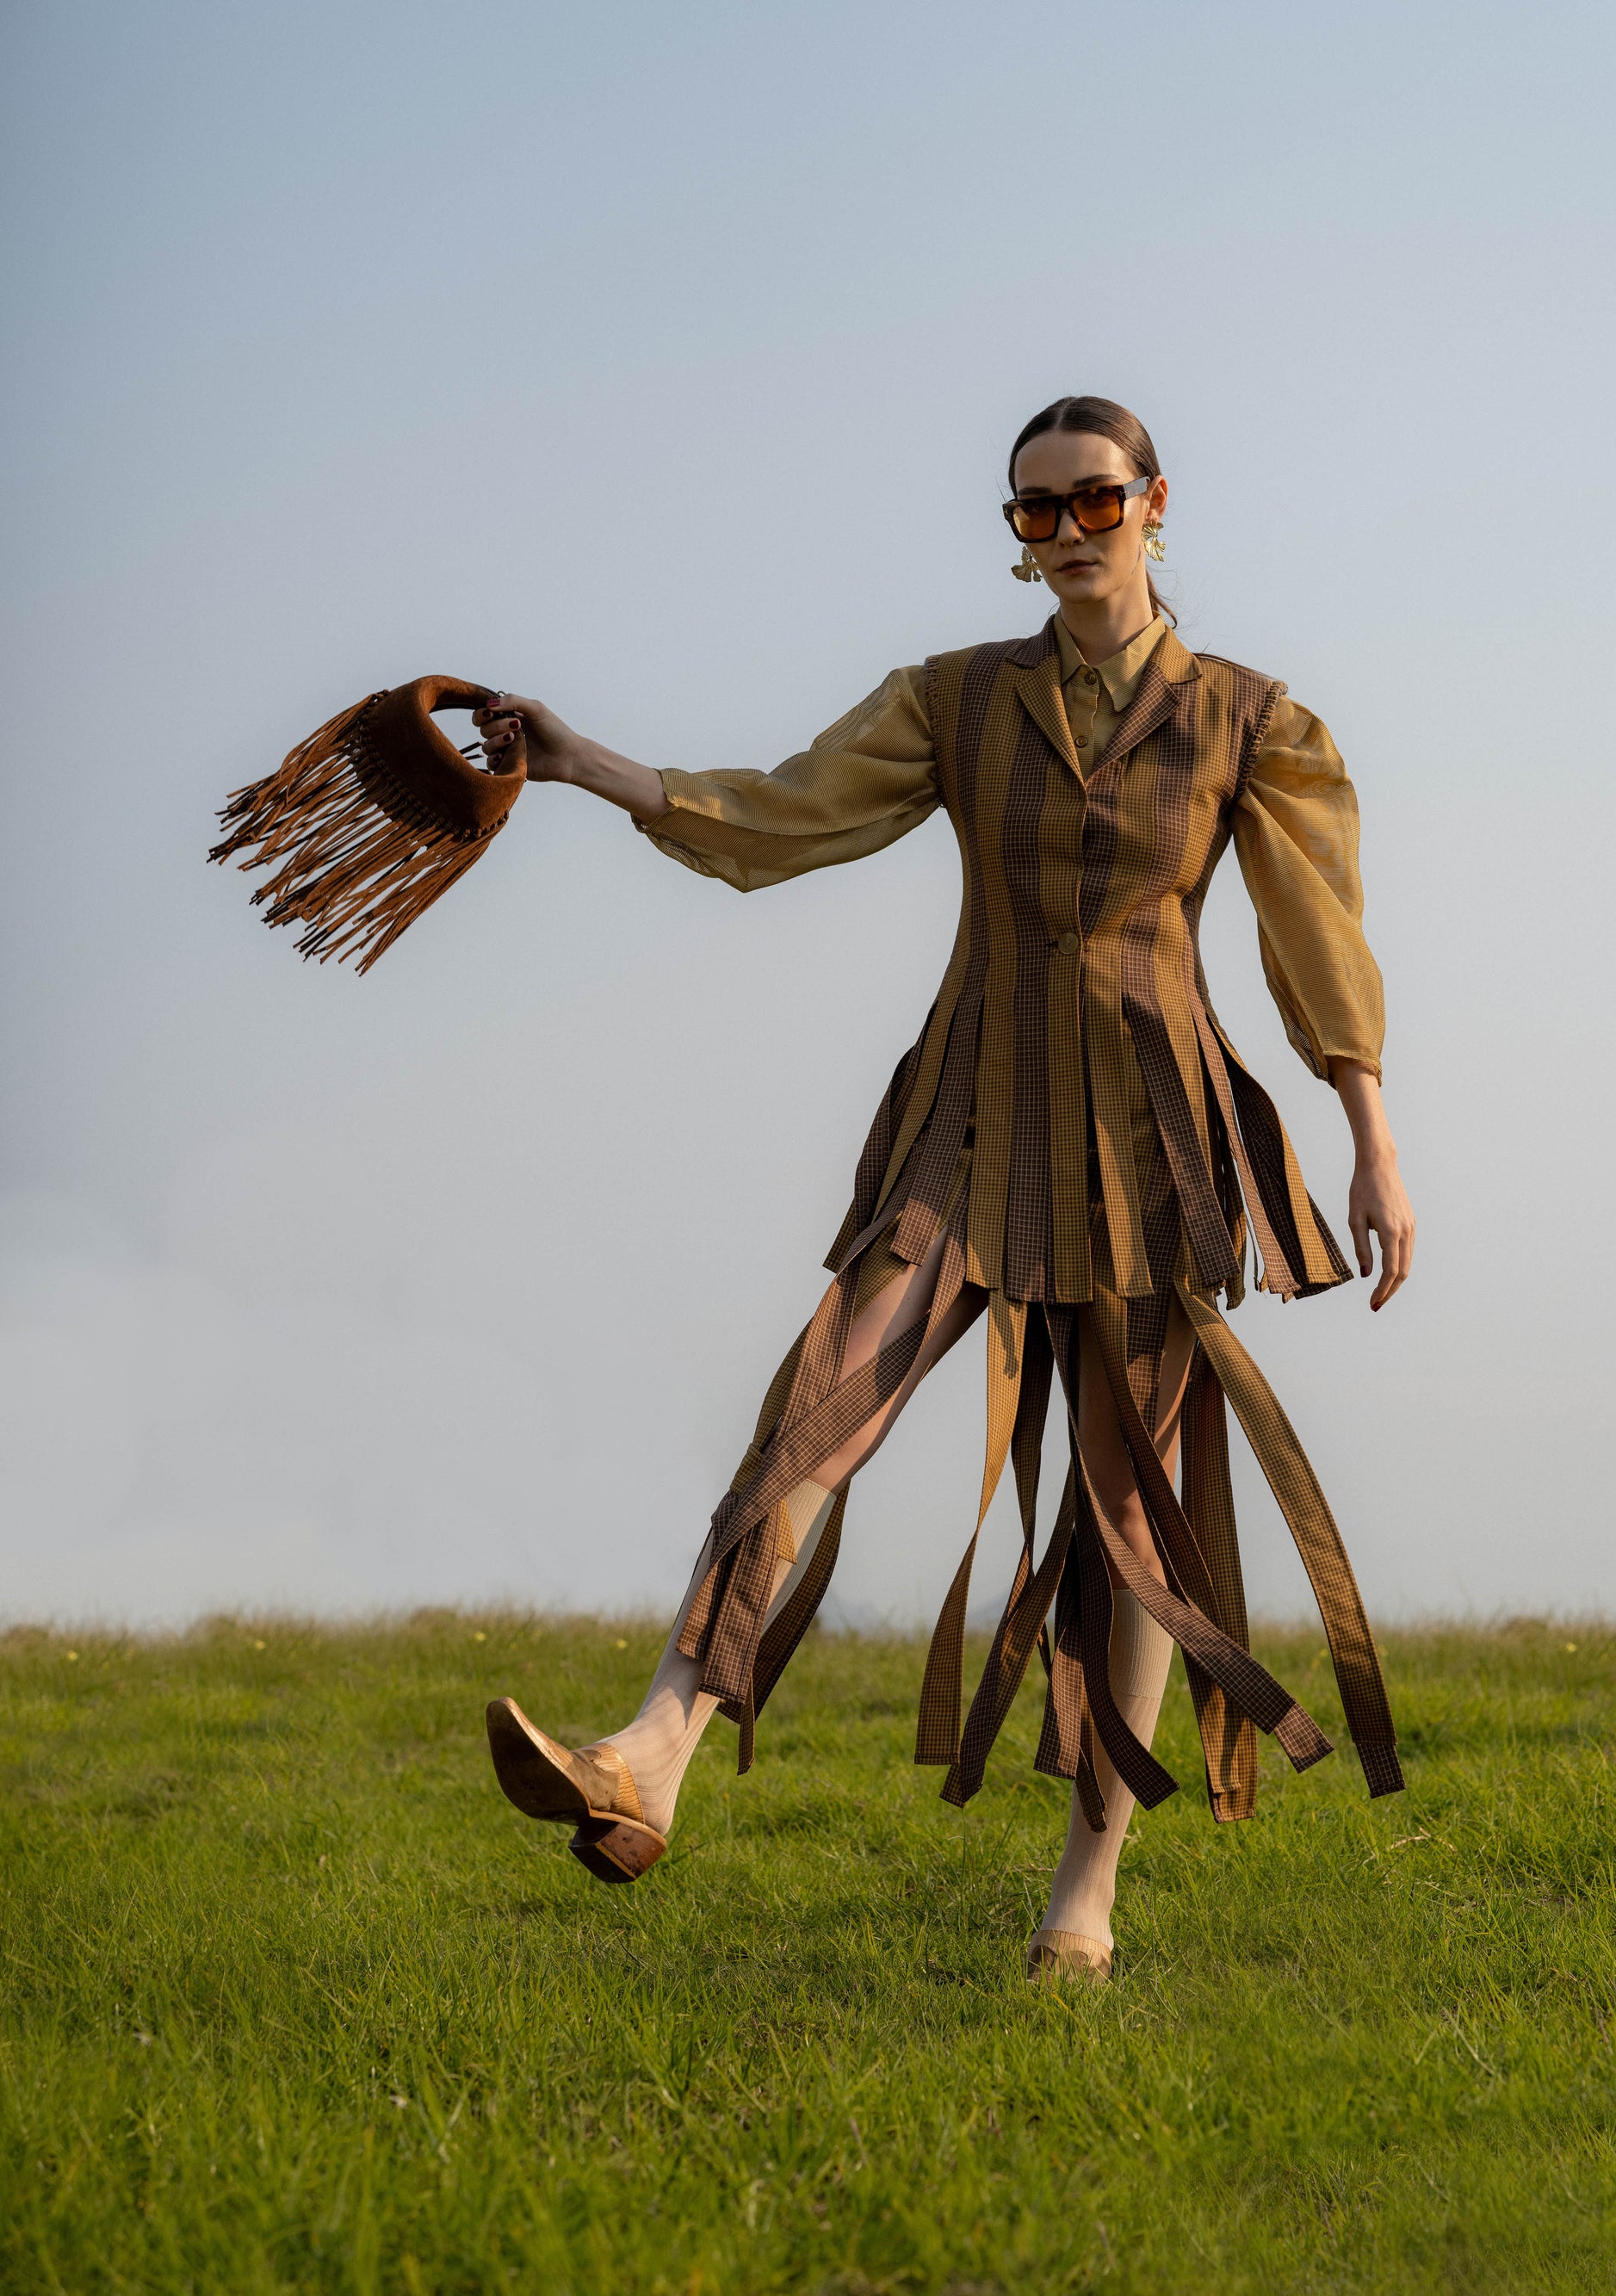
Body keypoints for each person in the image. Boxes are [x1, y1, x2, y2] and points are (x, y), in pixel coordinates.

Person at [480, 394, 1415, 1983]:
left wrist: (1368, 1132)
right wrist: (586, 767)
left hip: (1149, 1138)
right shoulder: (953, 699)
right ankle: (651, 1753)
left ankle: (1089, 1892)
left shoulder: (1253, 718)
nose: (1062, 536)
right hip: (965, 1121)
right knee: (817, 1406)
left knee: (1131, 1528)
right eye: (1031, 514)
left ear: (1155, 503)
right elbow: (783, 817)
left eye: (1091, 504)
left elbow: (1313, 926)